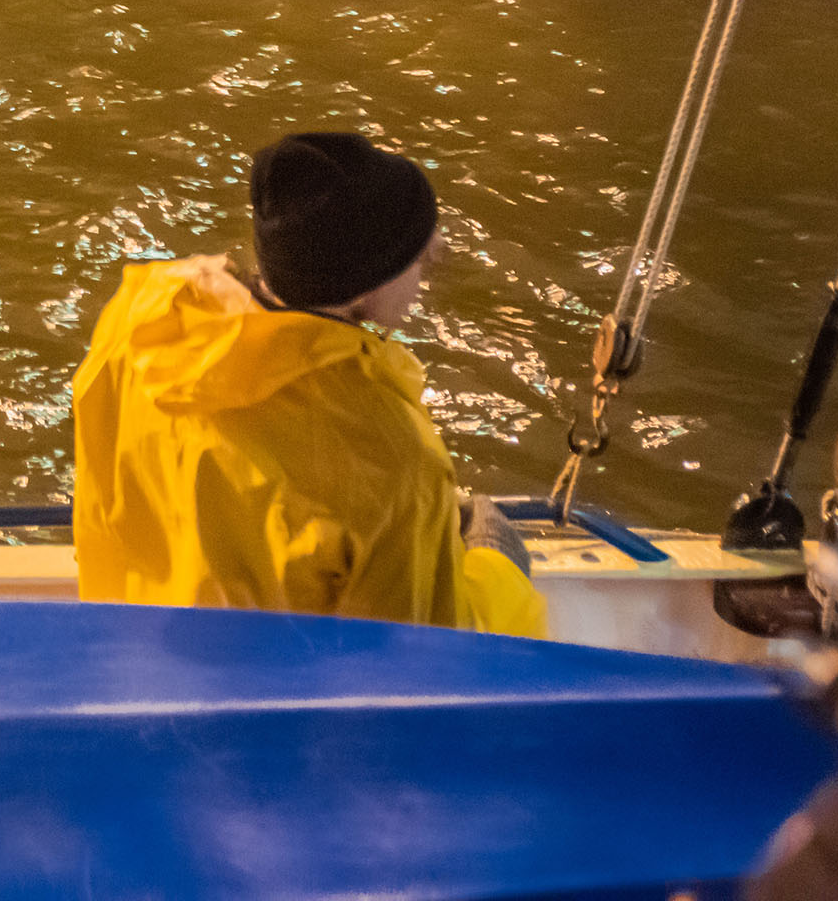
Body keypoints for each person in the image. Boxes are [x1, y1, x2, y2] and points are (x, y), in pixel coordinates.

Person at [71, 131, 548, 635]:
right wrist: (497, 566)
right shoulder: (391, 453)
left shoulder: (142, 316)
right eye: (419, 255)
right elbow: (416, 655)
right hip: (276, 698)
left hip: (141, 650)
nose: (435, 257)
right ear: (372, 279)